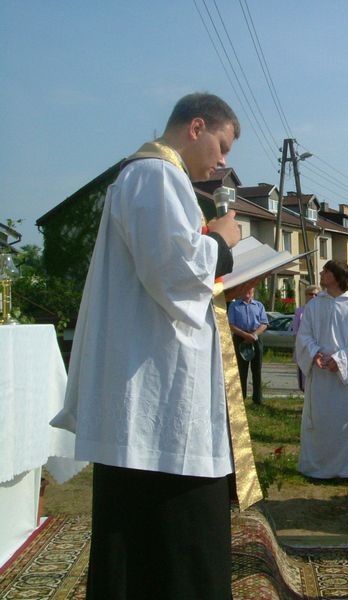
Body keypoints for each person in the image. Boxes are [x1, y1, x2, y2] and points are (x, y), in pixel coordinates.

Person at [52, 93, 255, 599]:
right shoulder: (155, 175)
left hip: (157, 382)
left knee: (154, 541)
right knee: (169, 541)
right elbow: (174, 270)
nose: (223, 162)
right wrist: (223, 241)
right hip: (155, 392)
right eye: (222, 145)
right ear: (196, 127)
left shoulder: (160, 178)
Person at [295, 261, 348, 479]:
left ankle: (345, 468)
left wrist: (340, 360)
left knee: (344, 420)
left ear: (336, 276)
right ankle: (317, 466)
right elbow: (304, 335)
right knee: (319, 420)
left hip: (344, 376)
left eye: (325, 271)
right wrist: (315, 353)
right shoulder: (314, 305)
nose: (321, 273)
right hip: (320, 374)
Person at [228, 286, 269, 404]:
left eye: (250, 289)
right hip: (240, 338)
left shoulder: (259, 305)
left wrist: (254, 335)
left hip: (256, 338)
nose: (247, 291)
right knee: (241, 370)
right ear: (241, 290)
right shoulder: (234, 305)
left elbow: (264, 324)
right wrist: (245, 335)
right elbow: (231, 324)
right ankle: (241, 398)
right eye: (245, 289)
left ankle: (258, 399)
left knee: (257, 369)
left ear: (253, 291)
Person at [292, 285, 320, 391]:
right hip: (303, 348)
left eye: (316, 294)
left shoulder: (322, 311)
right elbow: (296, 332)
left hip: (318, 349)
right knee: (304, 380)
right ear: (306, 296)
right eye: (310, 294)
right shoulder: (300, 312)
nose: (313, 296)